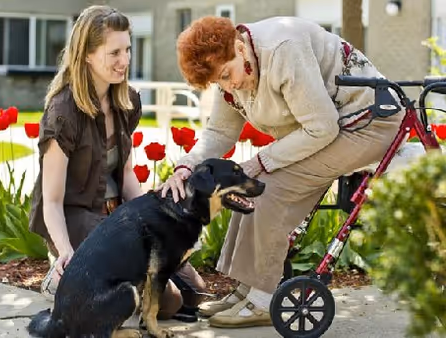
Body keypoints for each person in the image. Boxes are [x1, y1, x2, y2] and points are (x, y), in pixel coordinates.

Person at [159, 15, 405, 328]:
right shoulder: (231, 66)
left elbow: (321, 127)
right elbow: (220, 132)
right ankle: (246, 290)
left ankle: (261, 299)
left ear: (238, 45)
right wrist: (187, 164)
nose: (228, 86)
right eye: (218, 83)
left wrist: (263, 160)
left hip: (369, 123)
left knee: (269, 189)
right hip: (329, 128)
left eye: (226, 75)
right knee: (249, 187)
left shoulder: (282, 49)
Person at [28, 5, 206, 321]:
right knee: (169, 302)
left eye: (127, 49)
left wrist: (157, 222)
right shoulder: (63, 113)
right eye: (114, 53)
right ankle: (67, 283)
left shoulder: (127, 102)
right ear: (86, 55)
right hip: (77, 218)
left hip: (117, 216)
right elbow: (52, 201)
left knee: (195, 293)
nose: (124, 61)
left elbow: (125, 174)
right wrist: (66, 252)